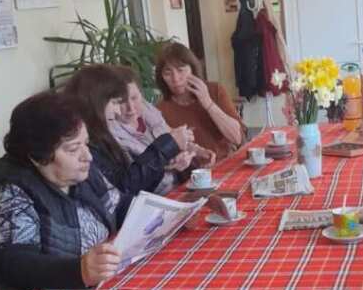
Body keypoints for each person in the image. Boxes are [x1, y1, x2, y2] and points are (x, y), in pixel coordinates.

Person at [0, 92, 123, 290]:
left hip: (96, 286)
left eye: (86, 143)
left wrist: (162, 214)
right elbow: (16, 263)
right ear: (38, 156)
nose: (88, 156)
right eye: (73, 149)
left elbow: (118, 204)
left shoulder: (80, 172)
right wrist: (79, 271)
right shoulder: (8, 191)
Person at [65, 64, 195, 194]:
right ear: (96, 103)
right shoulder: (94, 141)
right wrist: (167, 148)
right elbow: (125, 186)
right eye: (116, 102)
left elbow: (130, 184)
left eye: (134, 98)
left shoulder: (102, 135)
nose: (118, 111)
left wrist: (169, 161)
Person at [108, 67, 215, 194]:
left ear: (141, 94)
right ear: (110, 103)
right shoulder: (111, 135)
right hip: (156, 196)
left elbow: (171, 138)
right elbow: (132, 182)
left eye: (134, 98)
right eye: (121, 101)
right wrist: (169, 166)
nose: (130, 108)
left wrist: (197, 151)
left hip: (181, 186)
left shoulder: (148, 110)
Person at [155, 43, 244, 161]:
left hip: (225, 163)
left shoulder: (215, 90)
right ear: (162, 77)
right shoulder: (161, 110)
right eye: (168, 73)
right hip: (192, 170)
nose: (175, 79)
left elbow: (237, 138)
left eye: (181, 70)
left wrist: (208, 103)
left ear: (192, 70)